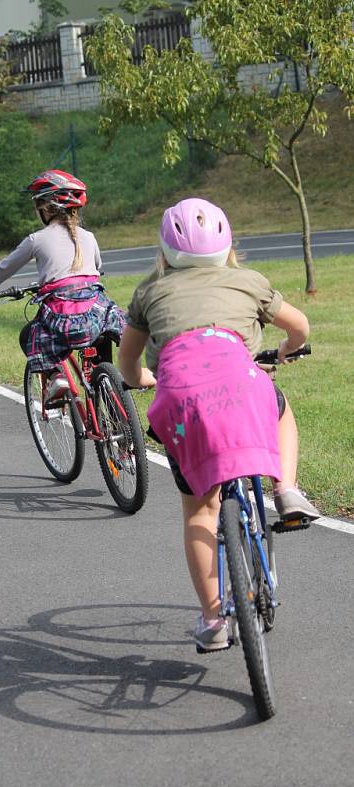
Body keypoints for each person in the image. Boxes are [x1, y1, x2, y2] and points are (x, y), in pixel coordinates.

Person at [117, 197, 320, 652]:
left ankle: (213, 621)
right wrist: (287, 349)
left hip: (181, 403)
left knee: (200, 513)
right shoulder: (248, 281)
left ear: (164, 252)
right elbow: (300, 326)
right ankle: (285, 489)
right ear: (229, 244)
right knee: (280, 409)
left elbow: (127, 360)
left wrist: (141, 379)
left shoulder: (150, 291)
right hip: (242, 386)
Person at [0, 169, 125, 400]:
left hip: (63, 317)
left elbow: (5, 267)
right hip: (97, 314)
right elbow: (98, 267)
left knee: (30, 334)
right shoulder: (89, 236)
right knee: (103, 341)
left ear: (47, 208)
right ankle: (112, 389)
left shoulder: (36, 239)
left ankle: (55, 376)